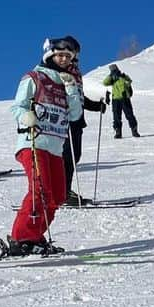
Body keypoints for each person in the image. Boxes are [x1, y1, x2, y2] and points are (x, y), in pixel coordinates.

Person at [2, 38, 84, 257]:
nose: (65, 60)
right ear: (50, 55)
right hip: (33, 143)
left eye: (68, 57)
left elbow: (75, 115)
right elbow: (17, 106)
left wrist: (71, 89)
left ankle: (34, 236)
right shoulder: (34, 77)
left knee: (57, 195)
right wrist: (25, 116)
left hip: (56, 147)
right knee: (40, 191)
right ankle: (20, 238)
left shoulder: (68, 82)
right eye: (60, 55)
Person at [58, 37, 106, 206]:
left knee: (74, 155)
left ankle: (64, 190)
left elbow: (79, 96)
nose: (75, 54)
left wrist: (95, 105)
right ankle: (61, 193)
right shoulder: (61, 68)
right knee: (67, 155)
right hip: (65, 118)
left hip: (77, 119)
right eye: (73, 50)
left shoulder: (75, 70)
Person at [103, 64, 139, 138]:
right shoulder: (112, 79)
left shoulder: (122, 76)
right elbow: (105, 83)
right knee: (116, 116)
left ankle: (134, 130)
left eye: (114, 69)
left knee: (129, 114)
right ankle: (118, 132)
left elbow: (129, 81)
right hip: (115, 99)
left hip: (124, 98)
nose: (114, 71)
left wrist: (122, 76)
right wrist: (110, 76)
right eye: (112, 70)